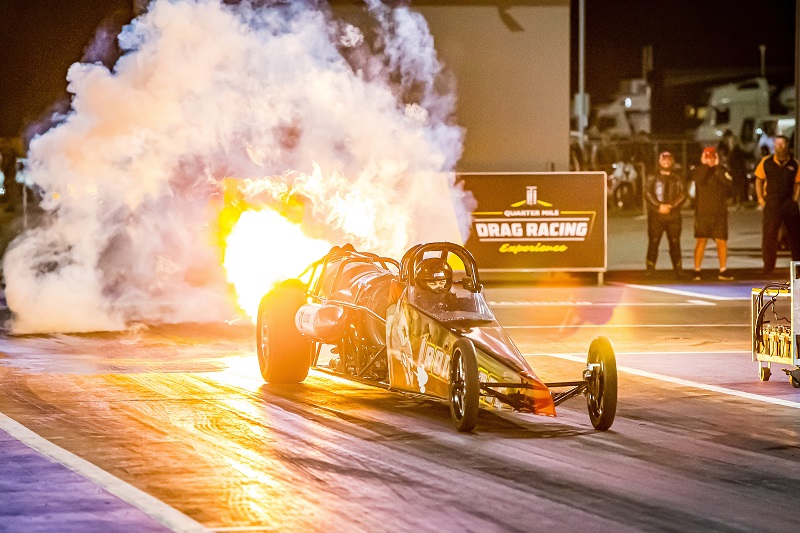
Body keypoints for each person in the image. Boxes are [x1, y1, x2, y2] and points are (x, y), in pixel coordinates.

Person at [754, 134, 800, 274]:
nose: (780, 146)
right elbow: (758, 180)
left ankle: (797, 267)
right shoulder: (766, 162)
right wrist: (761, 199)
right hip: (772, 202)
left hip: (788, 202)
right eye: (777, 143)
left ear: (787, 146)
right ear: (773, 146)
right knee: (769, 235)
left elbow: (798, 183)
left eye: (782, 144)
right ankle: (768, 267)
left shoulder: (794, 164)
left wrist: (795, 198)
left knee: (796, 235)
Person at [690, 146, 734, 281]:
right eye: (707, 156)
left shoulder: (722, 170)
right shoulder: (698, 171)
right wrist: (704, 166)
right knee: (701, 241)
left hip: (719, 214)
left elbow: (728, 184)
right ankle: (697, 270)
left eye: (712, 156)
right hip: (703, 213)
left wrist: (718, 167)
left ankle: (723, 270)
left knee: (721, 241)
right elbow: (698, 181)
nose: (710, 159)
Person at [644, 151, 686, 278]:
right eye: (664, 159)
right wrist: (658, 206)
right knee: (654, 241)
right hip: (656, 216)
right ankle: (650, 269)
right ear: (659, 161)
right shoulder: (652, 176)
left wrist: (671, 206)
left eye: (669, 159)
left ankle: (678, 270)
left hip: (673, 216)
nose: (666, 162)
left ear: (672, 161)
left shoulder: (678, 177)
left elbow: (683, 194)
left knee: (674, 242)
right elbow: (647, 193)